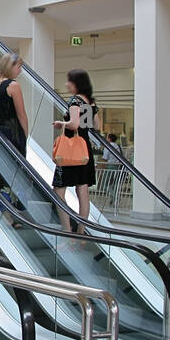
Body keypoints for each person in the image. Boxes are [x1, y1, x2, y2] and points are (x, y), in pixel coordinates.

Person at [52, 68, 101, 233]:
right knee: (83, 191)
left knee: (58, 190)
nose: (67, 85)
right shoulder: (91, 102)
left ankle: (67, 231)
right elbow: (97, 126)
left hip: (71, 150)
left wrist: (61, 123)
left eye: (69, 82)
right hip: (85, 150)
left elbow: (74, 124)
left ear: (77, 84)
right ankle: (81, 232)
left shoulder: (75, 101)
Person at [0, 55, 29, 157]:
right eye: (18, 67)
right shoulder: (13, 85)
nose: (20, 71)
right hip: (12, 132)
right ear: (10, 66)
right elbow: (21, 114)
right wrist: (24, 136)